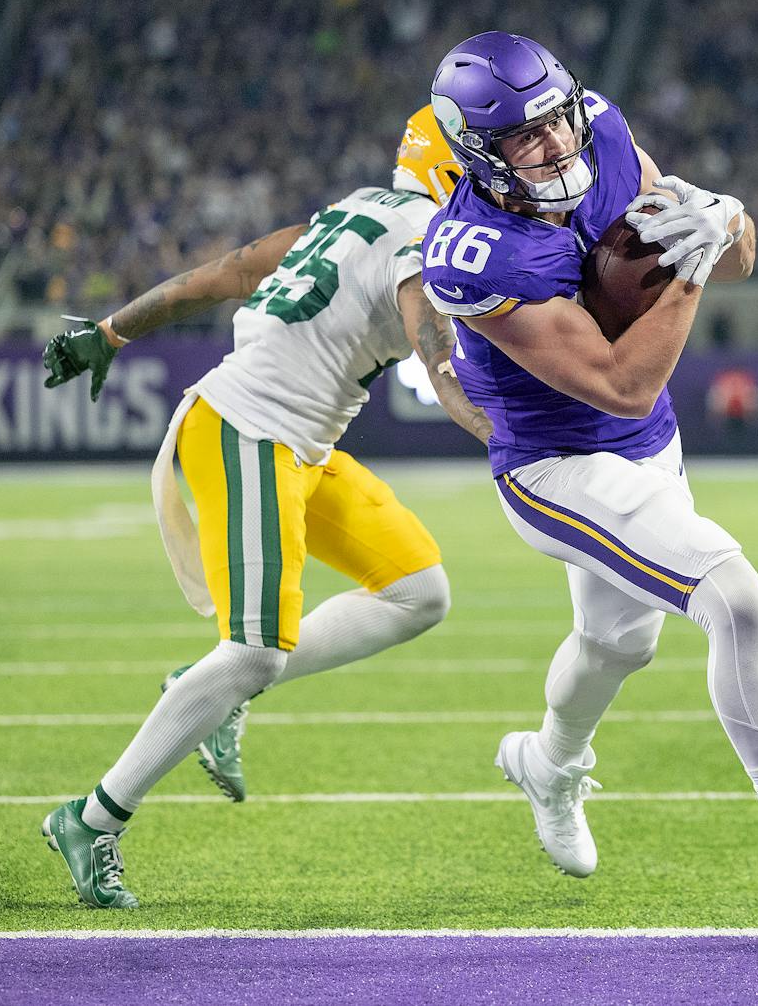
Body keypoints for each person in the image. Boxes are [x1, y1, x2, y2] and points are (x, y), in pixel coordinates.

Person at [421, 32, 758, 915]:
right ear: (476, 154)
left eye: (558, 120)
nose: (558, 146)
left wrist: (725, 219)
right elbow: (620, 382)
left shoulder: (604, 132)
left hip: (651, 444)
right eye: (525, 139)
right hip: (557, 464)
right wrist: (691, 266)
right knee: (737, 598)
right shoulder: (474, 254)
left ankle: (548, 765)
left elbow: (737, 255)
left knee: (619, 643)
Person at [37, 108, 490, 910]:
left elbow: (226, 272)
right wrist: (504, 437)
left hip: (297, 442)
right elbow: (437, 358)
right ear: (455, 168)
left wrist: (110, 332)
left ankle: (209, 686)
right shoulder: (424, 234)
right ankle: (93, 818)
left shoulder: (351, 210)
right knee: (253, 652)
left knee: (420, 591)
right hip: (251, 428)